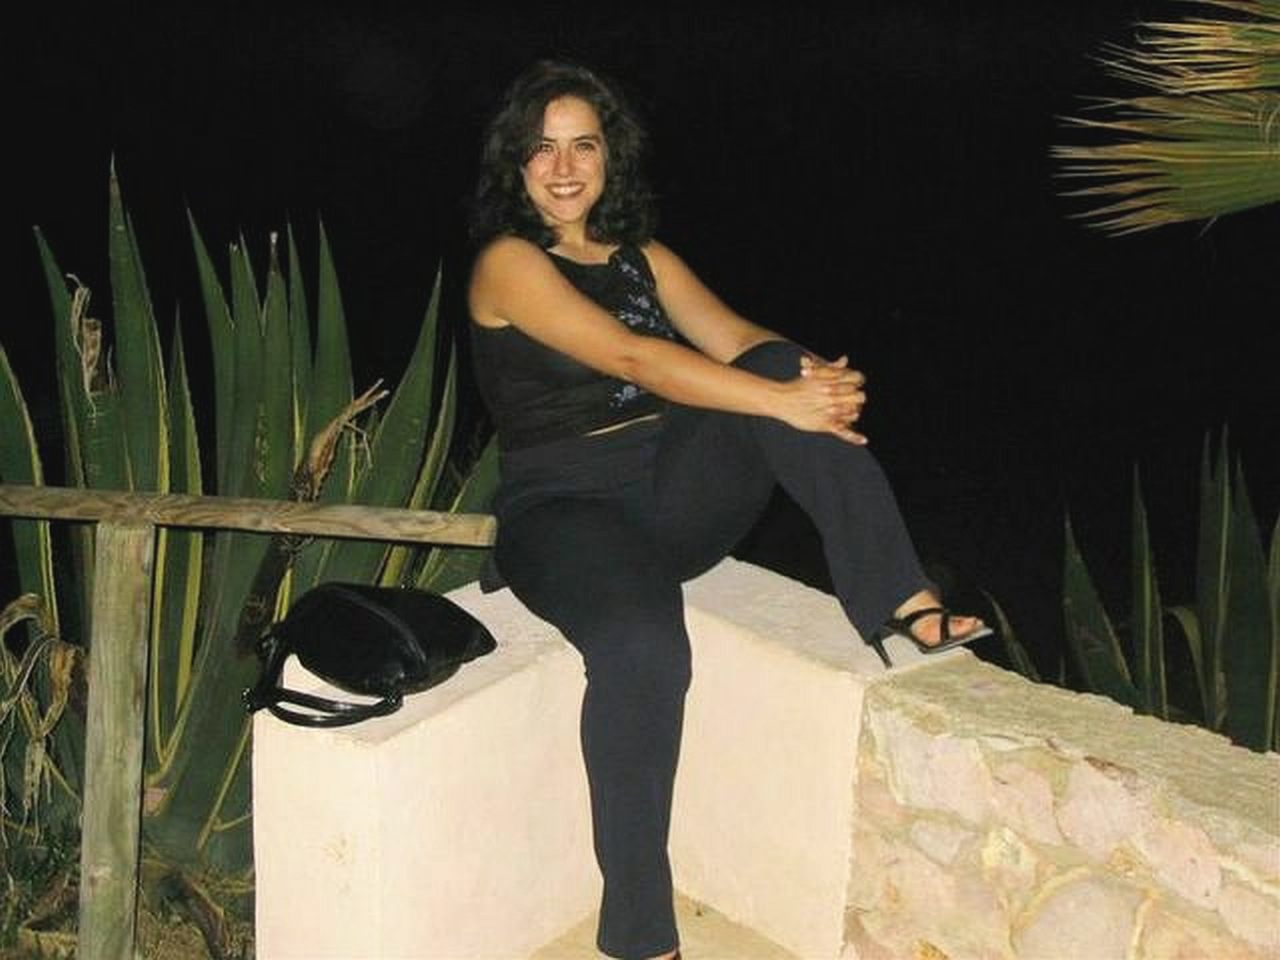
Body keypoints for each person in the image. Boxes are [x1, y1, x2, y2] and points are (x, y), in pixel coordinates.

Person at [467, 59, 990, 960]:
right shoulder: (509, 263)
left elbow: (739, 340)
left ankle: (901, 602)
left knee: (780, 368)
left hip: (667, 495)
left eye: (583, 146)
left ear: (609, 157)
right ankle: (641, 936)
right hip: (565, 511)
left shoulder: (645, 258)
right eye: (542, 149)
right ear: (516, 164)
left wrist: (817, 381)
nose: (564, 168)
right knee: (643, 648)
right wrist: (785, 401)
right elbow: (633, 358)